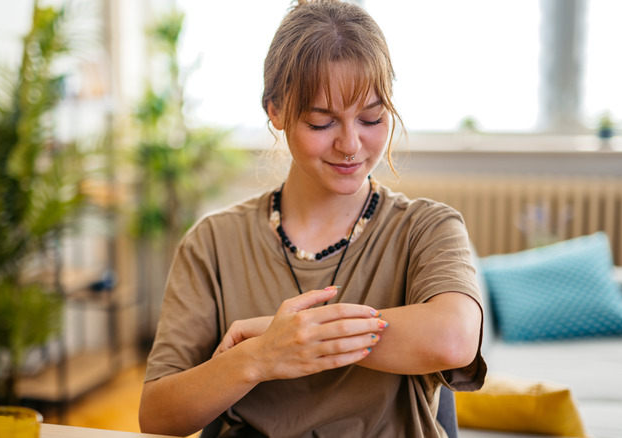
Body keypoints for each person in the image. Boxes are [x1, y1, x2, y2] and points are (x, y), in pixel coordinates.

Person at [139, 1, 486, 436]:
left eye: (372, 118)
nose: (351, 144)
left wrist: (295, 335)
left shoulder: (427, 227)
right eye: (322, 123)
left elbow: (453, 339)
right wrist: (261, 356)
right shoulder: (212, 242)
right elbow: (157, 414)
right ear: (276, 110)